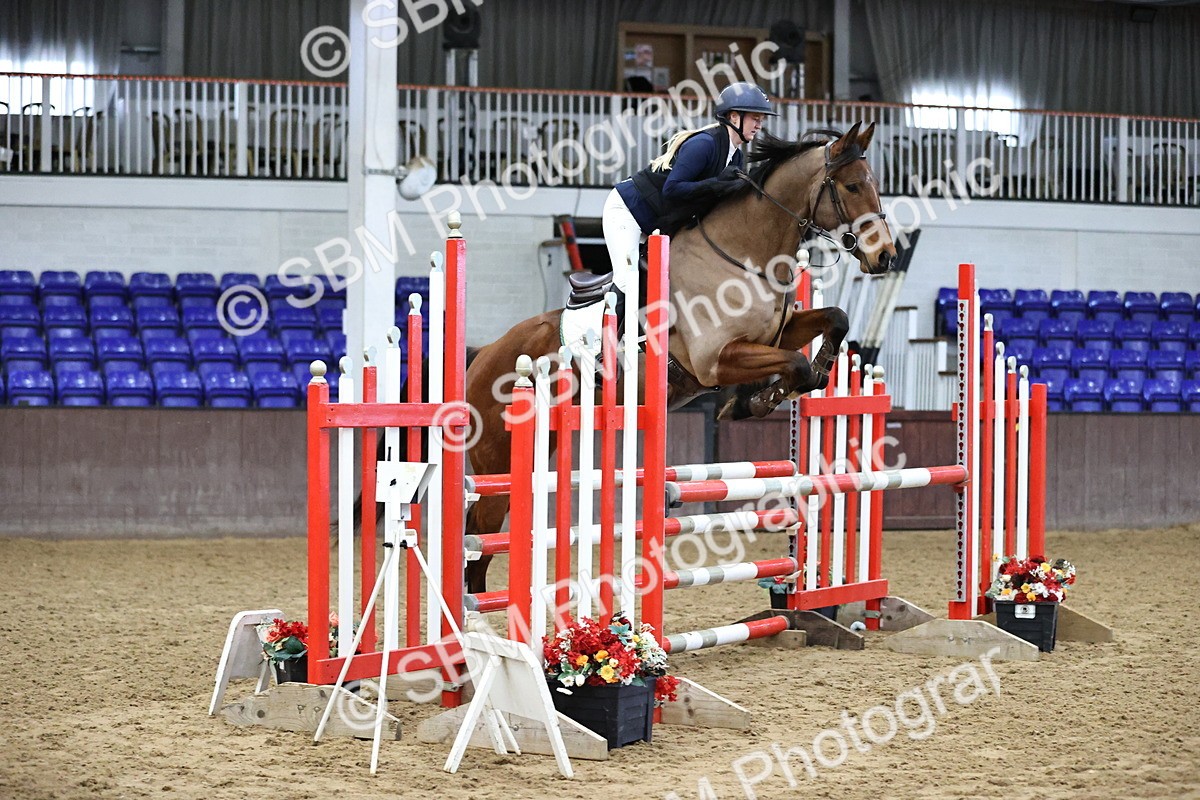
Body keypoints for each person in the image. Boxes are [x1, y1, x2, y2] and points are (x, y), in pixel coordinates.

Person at [602, 82, 778, 297]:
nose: (759, 125)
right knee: (627, 281)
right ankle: (610, 330)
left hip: (660, 221)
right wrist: (717, 185)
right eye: (755, 118)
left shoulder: (736, 158)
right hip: (628, 210)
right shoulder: (704, 144)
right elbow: (672, 189)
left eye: (761, 120)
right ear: (734, 116)